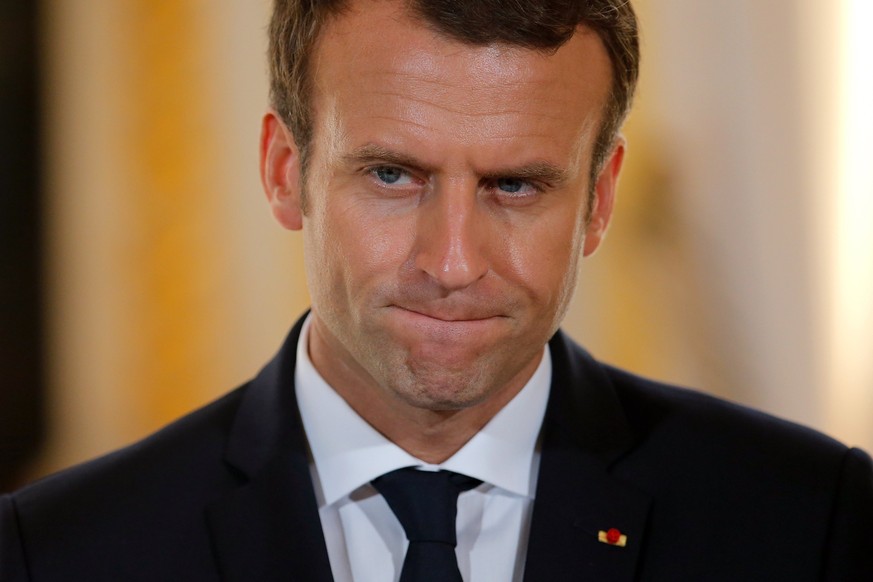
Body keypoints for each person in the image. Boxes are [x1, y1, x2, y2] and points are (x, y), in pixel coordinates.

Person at [2, 0, 872, 579]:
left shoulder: (809, 523)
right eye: (391, 175)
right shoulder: (59, 553)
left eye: (516, 186)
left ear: (599, 200)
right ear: (283, 171)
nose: (453, 262)